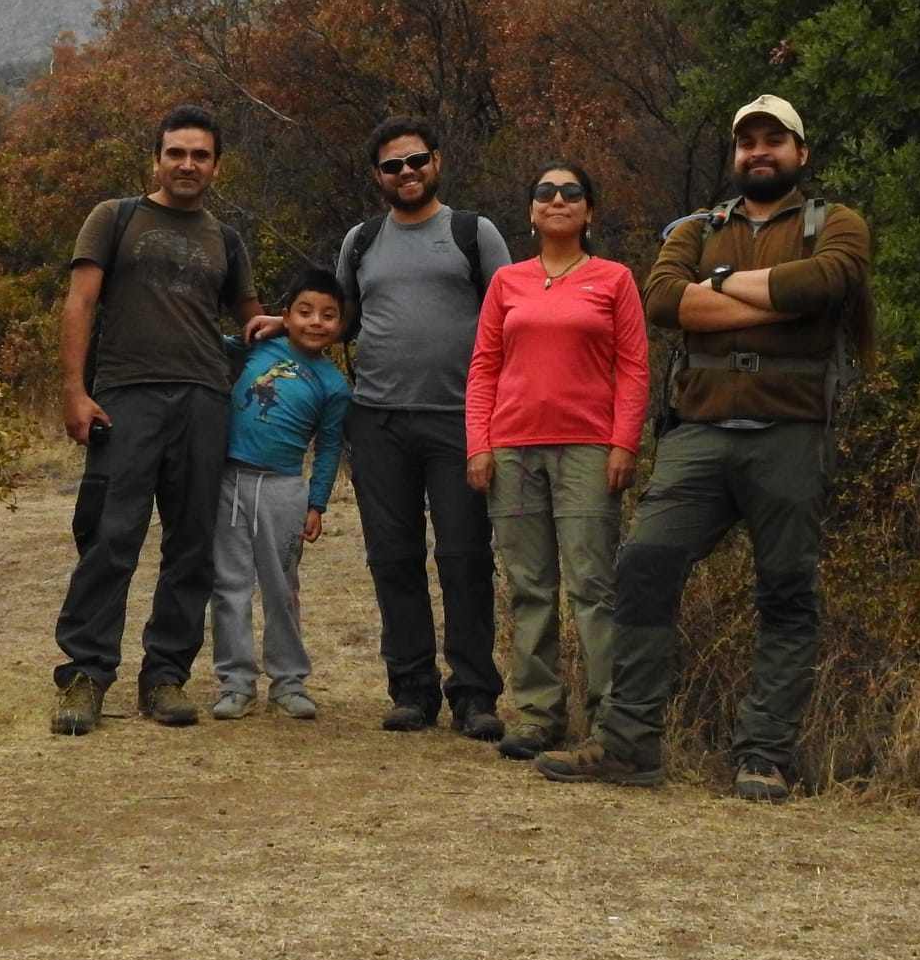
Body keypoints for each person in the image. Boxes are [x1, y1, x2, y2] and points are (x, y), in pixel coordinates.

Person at [535, 94, 873, 800]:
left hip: (792, 431)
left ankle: (764, 755)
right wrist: (775, 299)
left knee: (785, 592)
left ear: (800, 153)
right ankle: (628, 744)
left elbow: (829, 281)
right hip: (698, 433)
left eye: (773, 140)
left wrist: (714, 290)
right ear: (735, 155)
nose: (759, 151)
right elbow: (662, 299)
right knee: (643, 571)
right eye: (747, 141)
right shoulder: (698, 227)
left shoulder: (833, 223)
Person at [49, 104, 263, 735]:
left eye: (200, 155)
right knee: (110, 537)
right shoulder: (114, 218)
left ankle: (165, 676)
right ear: (158, 159)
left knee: (191, 545)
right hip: (126, 397)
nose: (187, 164)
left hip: (204, 401)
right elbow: (79, 303)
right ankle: (84, 677)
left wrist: (301, 326)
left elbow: (251, 321)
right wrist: (72, 389)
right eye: (177, 152)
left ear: (216, 166)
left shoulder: (225, 238)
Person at [335, 117, 513, 737]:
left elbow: (510, 318)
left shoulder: (472, 232)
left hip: (460, 419)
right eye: (393, 166)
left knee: (465, 556)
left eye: (416, 161)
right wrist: (283, 325)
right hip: (378, 420)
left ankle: (474, 694)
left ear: (436, 160)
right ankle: (411, 688)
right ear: (377, 176)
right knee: (393, 556)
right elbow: (341, 320)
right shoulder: (360, 241)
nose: (406, 173)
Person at [465, 162, 648, 761]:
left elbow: (634, 367)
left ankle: (608, 723)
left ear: (590, 211)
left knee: (593, 587)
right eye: (545, 192)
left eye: (572, 193)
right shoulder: (507, 283)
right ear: (531, 211)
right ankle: (540, 715)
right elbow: (484, 367)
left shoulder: (615, 279)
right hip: (513, 452)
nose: (558, 200)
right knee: (529, 588)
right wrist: (479, 444)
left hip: (588, 451)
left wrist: (624, 442)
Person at [208, 266, 352, 722]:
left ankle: (288, 681)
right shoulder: (256, 349)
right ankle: (235, 682)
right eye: (304, 312)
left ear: (340, 326)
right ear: (284, 316)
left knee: (281, 587)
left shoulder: (333, 385)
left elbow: (329, 447)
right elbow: (209, 346)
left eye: (328, 316)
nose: (315, 322)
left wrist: (317, 503)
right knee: (229, 586)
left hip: (284, 488)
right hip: (229, 482)